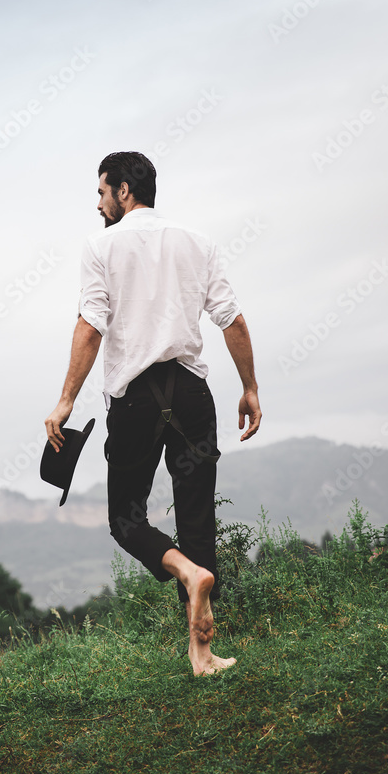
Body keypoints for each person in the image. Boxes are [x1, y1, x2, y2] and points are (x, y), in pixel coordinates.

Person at [44, 152, 261, 675]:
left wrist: (66, 398)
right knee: (197, 517)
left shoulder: (101, 246)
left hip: (136, 400)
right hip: (191, 393)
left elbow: (90, 325)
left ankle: (186, 572)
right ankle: (203, 652)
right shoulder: (197, 241)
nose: (98, 204)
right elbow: (230, 319)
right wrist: (250, 387)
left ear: (123, 191)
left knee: (126, 519)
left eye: (101, 193)